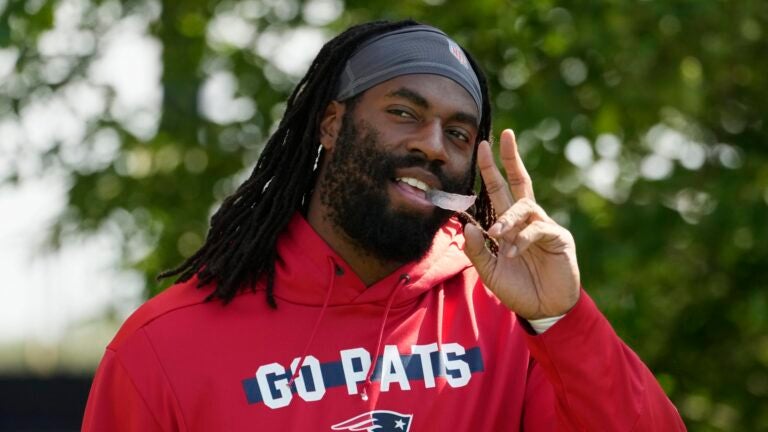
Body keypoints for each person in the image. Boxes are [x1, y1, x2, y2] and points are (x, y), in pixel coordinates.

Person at [82, 20, 686, 431]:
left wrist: (563, 320)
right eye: (403, 112)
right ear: (331, 124)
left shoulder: (512, 319)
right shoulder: (164, 346)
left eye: (457, 132)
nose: (432, 146)